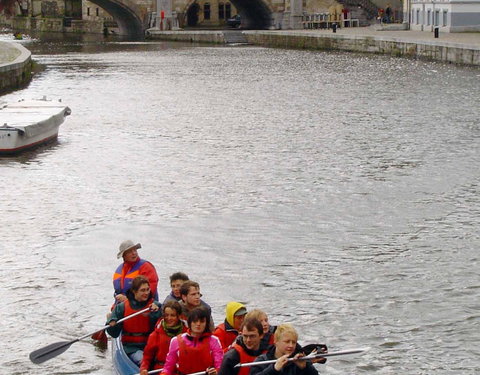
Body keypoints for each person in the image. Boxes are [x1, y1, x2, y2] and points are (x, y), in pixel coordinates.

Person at [107, 275, 162, 366]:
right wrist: (113, 323)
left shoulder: (156, 306)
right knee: (144, 361)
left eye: (147, 289)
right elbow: (113, 333)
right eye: (142, 290)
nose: (146, 293)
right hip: (132, 348)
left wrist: (157, 312)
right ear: (134, 291)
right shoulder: (122, 307)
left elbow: (162, 327)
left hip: (151, 346)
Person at [162, 307, 224, 375]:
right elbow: (168, 368)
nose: (198, 324)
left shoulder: (214, 341)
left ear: (206, 324)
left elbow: (219, 365)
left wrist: (216, 372)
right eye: (195, 321)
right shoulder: (176, 341)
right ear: (190, 323)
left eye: (202, 321)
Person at [250, 324, 324, 375]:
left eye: (294, 342)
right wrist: (274, 369)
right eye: (287, 342)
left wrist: (305, 368)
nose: (291, 345)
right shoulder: (261, 361)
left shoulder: (299, 361)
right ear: (276, 341)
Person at [139, 301, 187, 375]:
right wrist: (144, 368)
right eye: (166, 315)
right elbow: (147, 356)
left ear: (179, 316)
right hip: (161, 371)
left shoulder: (187, 334)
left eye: (172, 315)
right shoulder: (155, 335)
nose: (169, 318)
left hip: (181, 370)